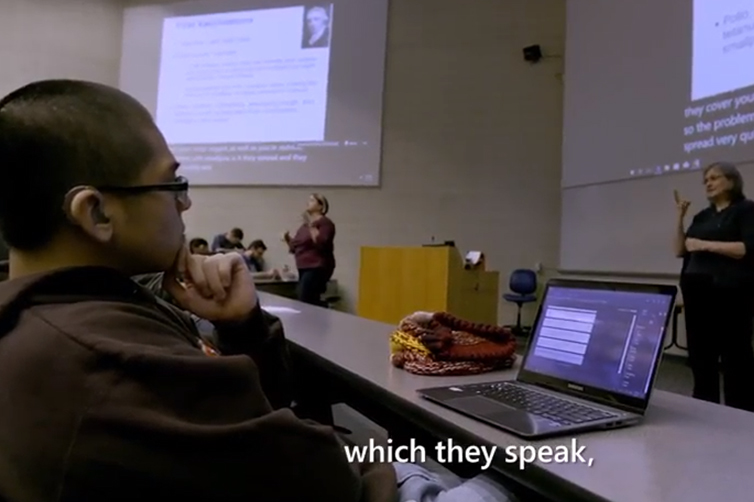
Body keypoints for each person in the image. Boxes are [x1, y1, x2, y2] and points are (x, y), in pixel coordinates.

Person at [0, 79, 513, 502]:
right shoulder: (116, 360)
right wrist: (392, 468)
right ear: (96, 213)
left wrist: (241, 326)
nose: (186, 206)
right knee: (516, 478)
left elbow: (271, 426)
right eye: (173, 185)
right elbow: (327, 482)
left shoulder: (55, 316)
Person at [674, 161, 754, 414]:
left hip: (731, 291)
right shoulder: (702, 216)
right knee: (701, 357)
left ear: (732, 181)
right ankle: (705, 411)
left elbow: (745, 249)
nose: (709, 183)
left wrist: (703, 244)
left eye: (714, 178)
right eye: (706, 180)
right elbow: (680, 250)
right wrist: (679, 220)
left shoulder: (747, 210)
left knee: (736, 356)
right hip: (697, 290)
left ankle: (743, 414)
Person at [284, 193, 335, 307]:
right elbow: (294, 247)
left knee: (305, 297)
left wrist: (311, 226)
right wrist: (287, 238)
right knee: (306, 298)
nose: (308, 203)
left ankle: (323, 312)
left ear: (321, 206)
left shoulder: (325, 223)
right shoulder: (304, 227)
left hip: (317, 266)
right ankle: (320, 315)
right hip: (303, 266)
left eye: (312, 201)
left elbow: (322, 242)